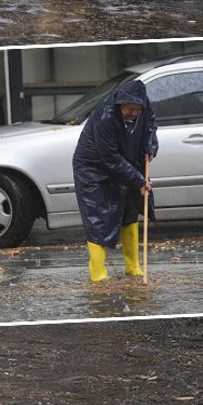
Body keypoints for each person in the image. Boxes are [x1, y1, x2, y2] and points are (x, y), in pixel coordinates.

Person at [72, 79, 158, 282]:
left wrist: (151, 145)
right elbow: (110, 158)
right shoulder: (105, 117)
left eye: (138, 109)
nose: (135, 113)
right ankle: (98, 274)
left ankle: (133, 267)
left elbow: (150, 124)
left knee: (129, 211)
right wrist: (138, 181)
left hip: (124, 161)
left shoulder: (143, 105)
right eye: (130, 109)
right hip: (93, 168)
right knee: (98, 219)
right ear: (121, 104)